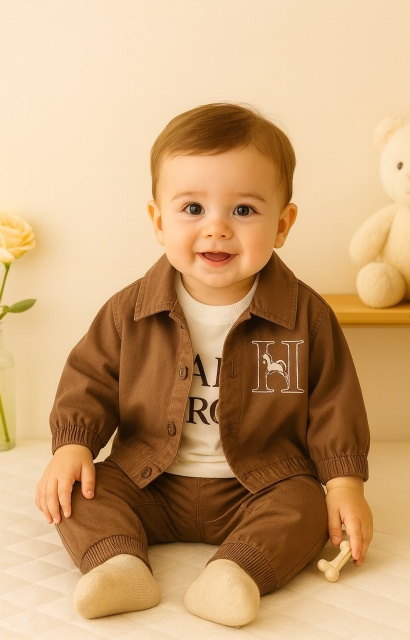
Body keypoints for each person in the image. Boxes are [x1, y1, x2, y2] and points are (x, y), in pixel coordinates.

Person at [35, 103, 373, 627]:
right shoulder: (129, 311)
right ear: (158, 221)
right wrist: (73, 444)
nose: (216, 229)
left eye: (244, 210)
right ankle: (118, 564)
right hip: (150, 479)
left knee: (306, 505)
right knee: (77, 493)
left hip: (258, 483)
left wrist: (345, 483)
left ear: (282, 225)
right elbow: (90, 378)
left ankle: (235, 573)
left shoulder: (304, 316)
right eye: (193, 208)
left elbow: (334, 400)